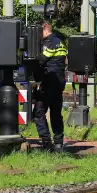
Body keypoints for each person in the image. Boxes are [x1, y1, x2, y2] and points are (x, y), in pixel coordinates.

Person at [35, 20, 67, 153]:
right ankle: (58, 142)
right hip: (59, 81)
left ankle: (46, 142)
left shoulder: (49, 43)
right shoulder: (60, 42)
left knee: (38, 112)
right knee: (55, 112)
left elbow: (41, 60)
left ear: (45, 29)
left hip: (49, 81)